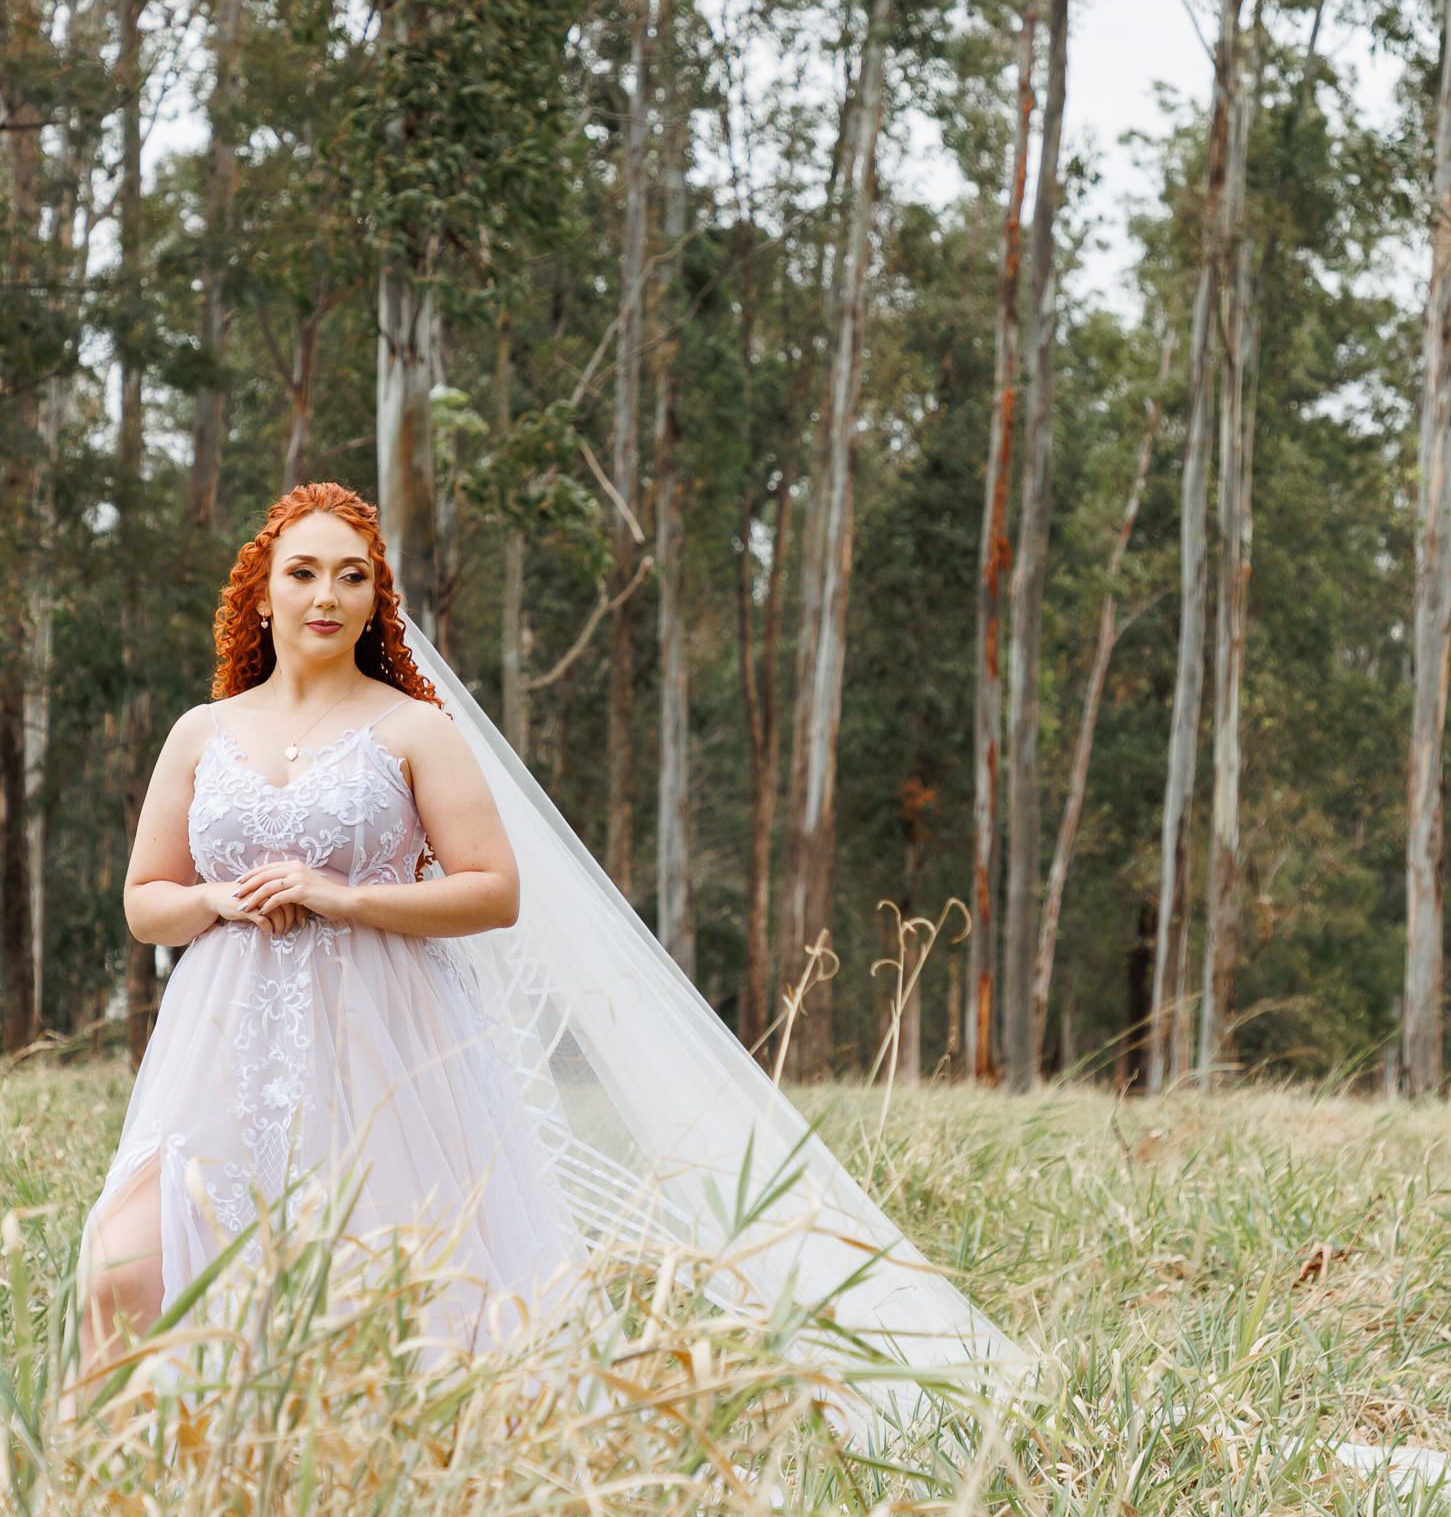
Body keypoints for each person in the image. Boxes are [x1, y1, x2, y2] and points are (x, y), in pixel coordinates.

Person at [63, 480, 1031, 1447]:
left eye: (351, 577)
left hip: (379, 1036)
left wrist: (342, 896)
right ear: (261, 592)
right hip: (222, 1041)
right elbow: (145, 901)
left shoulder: (411, 730)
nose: (326, 596)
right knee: (122, 1262)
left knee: (374, 1290)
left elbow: (493, 890)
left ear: (374, 598)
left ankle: (376, 1479)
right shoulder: (201, 732)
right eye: (303, 573)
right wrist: (216, 901)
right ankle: (106, 1474)